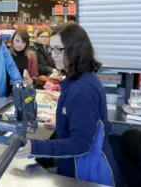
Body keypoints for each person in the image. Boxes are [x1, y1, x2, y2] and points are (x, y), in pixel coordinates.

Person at [16, 24, 122, 187]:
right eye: (52, 49)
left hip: (87, 174)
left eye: (59, 49)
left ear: (76, 49)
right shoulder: (80, 79)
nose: (53, 55)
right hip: (79, 168)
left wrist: (33, 146)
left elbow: (81, 144)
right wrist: (63, 122)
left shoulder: (81, 90)